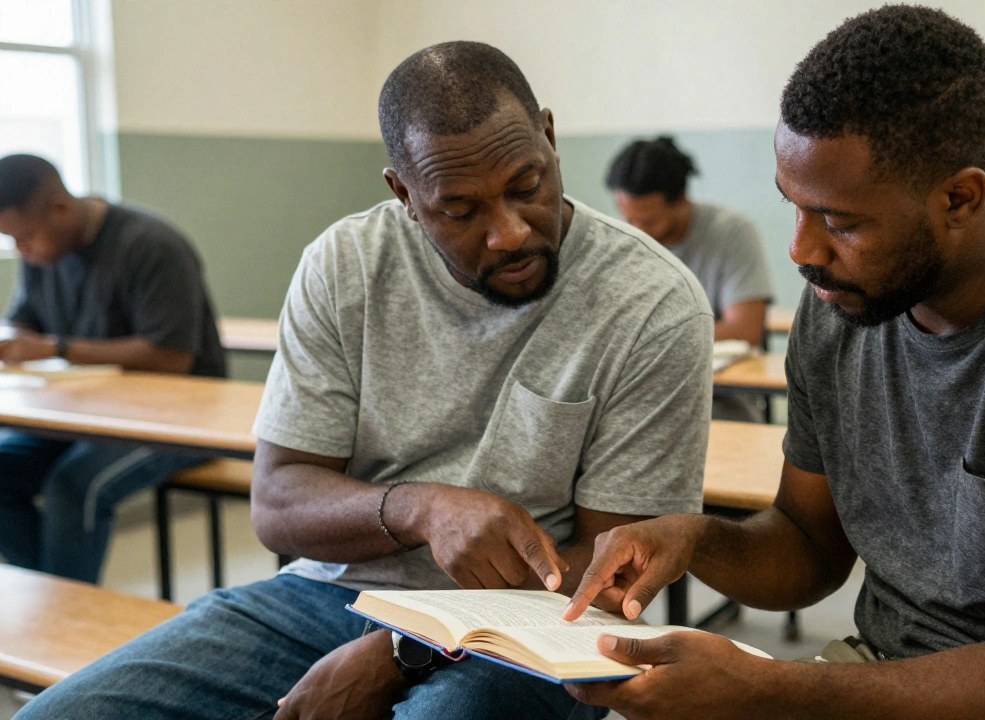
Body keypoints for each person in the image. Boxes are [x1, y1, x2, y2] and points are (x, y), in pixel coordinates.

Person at [564, 7, 985, 719]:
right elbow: (807, 548)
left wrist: (769, 690)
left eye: (841, 222)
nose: (802, 251)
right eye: (792, 206)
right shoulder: (840, 306)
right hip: (888, 672)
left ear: (959, 198)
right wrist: (692, 537)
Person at [16, 41, 712, 720]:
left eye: (526, 186)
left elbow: (608, 576)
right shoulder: (346, 265)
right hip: (333, 596)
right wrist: (418, 509)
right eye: (460, 210)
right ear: (403, 193)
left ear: (550, 137)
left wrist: (402, 650)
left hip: (538, 628)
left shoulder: (649, 300)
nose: (507, 233)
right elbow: (279, 501)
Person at [0, 154, 225, 583]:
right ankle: (54, 601)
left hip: (179, 418)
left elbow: (170, 357)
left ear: (60, 208)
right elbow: (23, 321)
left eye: (25, 237)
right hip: (88, 415)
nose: (21, 251)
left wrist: (56, 347)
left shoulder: (150, 245)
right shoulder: (42, 255)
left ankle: (65, 620)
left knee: (73, 487)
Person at [608, 137, 773, 421]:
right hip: (641, 399)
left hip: (718, 402)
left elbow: (745, 329)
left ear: (682, 199)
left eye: (648, 221)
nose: (636, 230)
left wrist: (648, 338)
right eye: (628, 218)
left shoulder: (731, 232)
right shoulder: (623, 238)